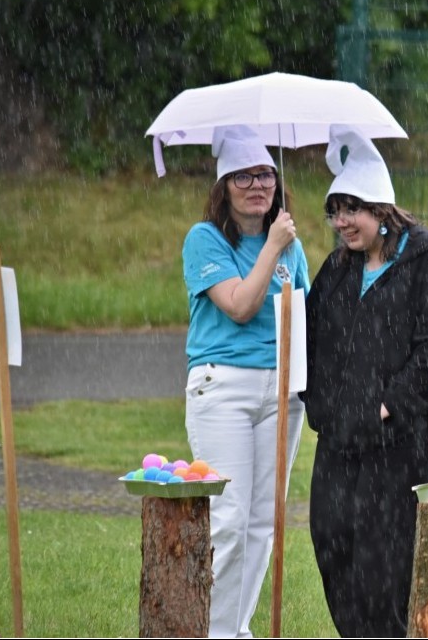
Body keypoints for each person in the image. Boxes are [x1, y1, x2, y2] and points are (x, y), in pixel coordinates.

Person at [301, 124, 428, 638]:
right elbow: (311, 343)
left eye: (351, 209)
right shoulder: (337, 269)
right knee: (332, 540)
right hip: (341, 434)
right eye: (334, 211)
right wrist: (325, 408)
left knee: (383, 562)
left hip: (402, 438)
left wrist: (386, 405)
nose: (341, 222)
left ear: (381, 209)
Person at [181, 125, 309, 638]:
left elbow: (304, 318)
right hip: (224, 389)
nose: (257, 185)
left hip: (282, 392)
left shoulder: (292, 248)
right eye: (243, 176)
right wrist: (272, 246)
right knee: (230, 518)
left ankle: (236, 629)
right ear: (224, 186)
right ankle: (213, 631)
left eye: (266, 175)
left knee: (263, 522)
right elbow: (239, 306)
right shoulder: (204, 239)